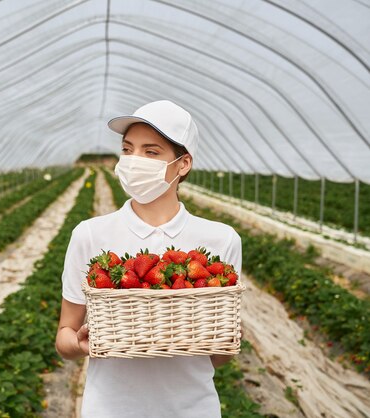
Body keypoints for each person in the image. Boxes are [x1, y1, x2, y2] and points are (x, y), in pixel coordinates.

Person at [54, 100, 242, 418]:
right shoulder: (90, 234)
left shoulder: (221, 240)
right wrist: (80, 344)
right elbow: (64, 336)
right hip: (109, 408)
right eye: (128, 150)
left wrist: (220, 336)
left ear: (183, 164)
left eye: (151, 152)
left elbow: (219, 355)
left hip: (193, 408)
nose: (133, 160)